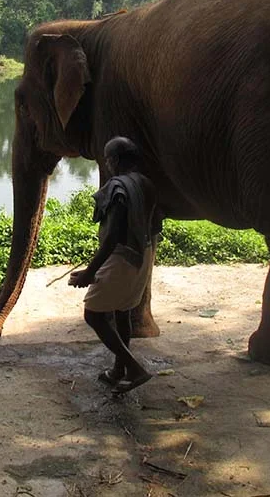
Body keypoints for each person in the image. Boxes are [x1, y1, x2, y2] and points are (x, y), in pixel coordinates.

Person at [69, 136, 161, 395]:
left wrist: (91, 271)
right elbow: (154, 227)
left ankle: (134, 368)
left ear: (116, 160)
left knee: (93, 314)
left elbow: (112, 237)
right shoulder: (147, 184)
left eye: (108, 159)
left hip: (121, 258)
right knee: (122, 311)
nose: (107, 164)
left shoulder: (117, 186)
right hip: (142, 255)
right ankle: (118, 369)